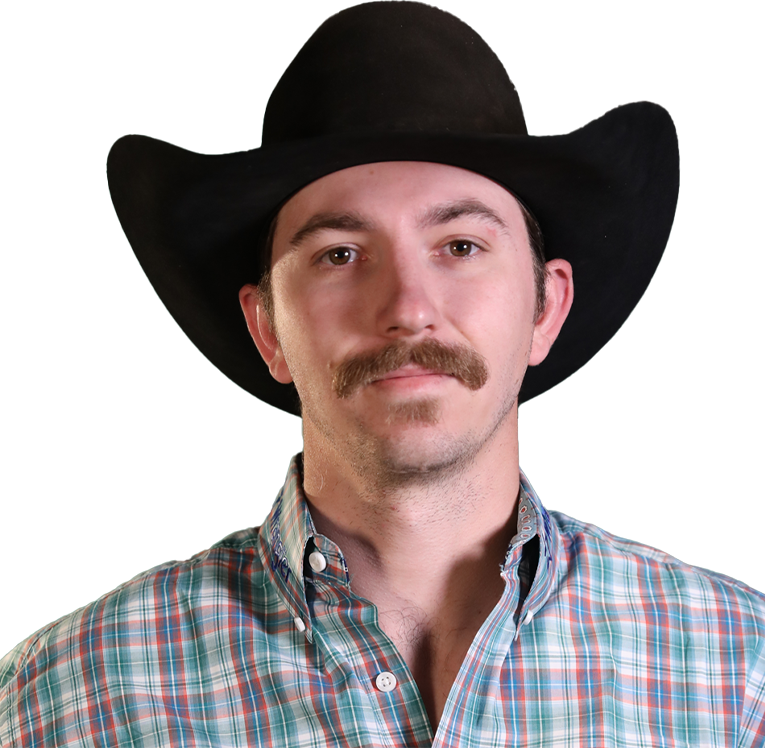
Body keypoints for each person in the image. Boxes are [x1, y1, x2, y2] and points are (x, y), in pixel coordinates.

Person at [2, 2, 764, 746]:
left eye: (460, 246)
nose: (407, 309)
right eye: (339, 255)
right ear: (267, 329)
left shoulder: (738, 671)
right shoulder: (69, 698)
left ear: (545, 307)